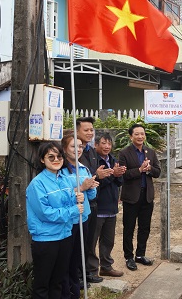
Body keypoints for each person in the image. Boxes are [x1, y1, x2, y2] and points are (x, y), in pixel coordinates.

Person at [26, 142, 83, 299]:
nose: (56, 159)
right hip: (46, 239)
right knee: (42, 284)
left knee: (58, 281)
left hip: (64, 236)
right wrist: (73, 210)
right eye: (51, 157)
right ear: (42, 160)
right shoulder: (37, 184)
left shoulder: (64, 179)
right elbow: (46, 213)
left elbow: (72, 204)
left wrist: (78, 198)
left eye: (59, 156)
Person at [60, 134, 99, 298]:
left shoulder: (84, 168)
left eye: (80, 146)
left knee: (78, 258)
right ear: (64, 149)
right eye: (73, 146)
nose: (77, 149)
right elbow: (60, 197)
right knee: (66, 260)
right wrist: (82, 187)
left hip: (83, 218)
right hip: (68, 222)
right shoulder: (60, 169)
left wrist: (90, 187)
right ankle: (66, 292)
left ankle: (75, 292)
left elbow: (91, 197)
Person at [119, 123, 161, 270]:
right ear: (131, 137)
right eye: (136, 134)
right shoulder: (124, 153)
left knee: (145, 227)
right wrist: (139, 170)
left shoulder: (150, 152)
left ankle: (140, 254)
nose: (140, 136)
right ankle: (129, 257)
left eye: (142, 134)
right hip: (131, 196)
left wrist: (149, 169)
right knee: (129, 228)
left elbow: (158, 172)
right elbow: (123, 175)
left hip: (147, 196)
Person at [93, 132, 126, 277]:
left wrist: (118, 175)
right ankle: (91, 270)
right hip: (98, 208)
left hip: (112, 208)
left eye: (109, 143)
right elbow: (96, 183)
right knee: (92, 241)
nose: (107, 146)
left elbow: (119, 182)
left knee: (108, 240)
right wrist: (112, 175)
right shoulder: (93, 162)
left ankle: (106, 266)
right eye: (103, 143)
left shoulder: (113, 160)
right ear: (95, 145)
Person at [75, 116, 103, 283]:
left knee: (90, 240)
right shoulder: (73, 152)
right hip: (79, 203)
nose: (90, 133)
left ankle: (87, 272)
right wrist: (96, 175)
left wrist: (100, 175)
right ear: (76, 131)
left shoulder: (91, 151)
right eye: (86, 130)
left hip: (93, 201)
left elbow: (93, 174)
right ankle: (78, 275)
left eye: (91, 130)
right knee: (79, 241)